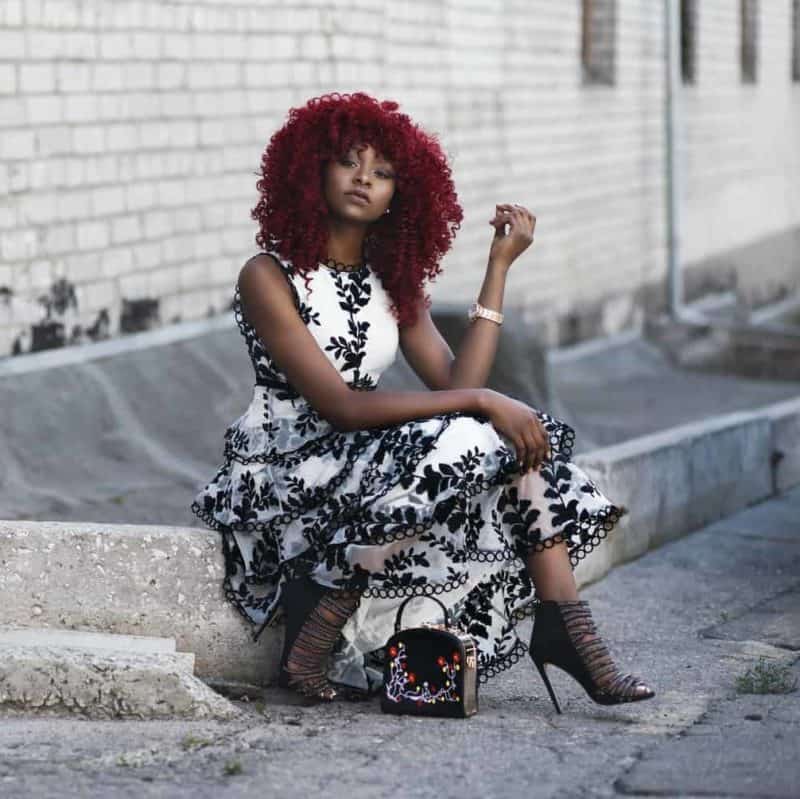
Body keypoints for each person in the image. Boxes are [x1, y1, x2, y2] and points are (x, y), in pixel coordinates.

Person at [191, 92, 655, 711]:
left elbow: (455, 380)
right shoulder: (267, 274)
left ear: (400, 198)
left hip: (362, 464)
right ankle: (325, 626)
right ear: (311, 171)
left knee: (492, 439)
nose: (364, 179)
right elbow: (342, 409)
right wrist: (487, 401)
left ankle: (566, 628)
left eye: (382, 173)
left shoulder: (392, 285)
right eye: (349, 163)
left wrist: (498, 268)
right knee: (473, 431)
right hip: (284, 469)